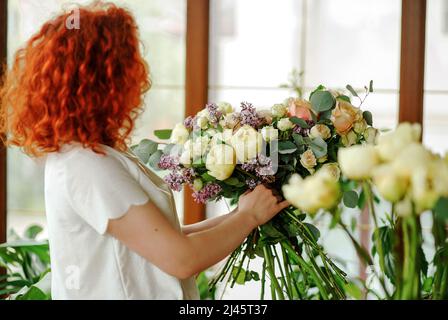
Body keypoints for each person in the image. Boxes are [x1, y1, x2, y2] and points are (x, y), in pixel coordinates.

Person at [0, 3, 289, 300]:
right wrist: (248, 219)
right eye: (129, 61)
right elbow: (181, 258)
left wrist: (243, 213)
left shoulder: (91, 154)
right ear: (105, 79)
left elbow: (167, 238)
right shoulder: (87, 166)